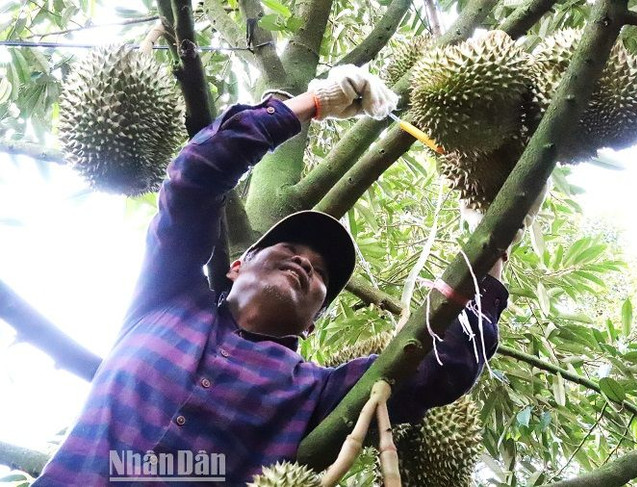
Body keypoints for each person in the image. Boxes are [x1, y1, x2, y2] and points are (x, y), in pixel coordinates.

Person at [34, 65, 509, 484]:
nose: (305, 261)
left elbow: (439, 364)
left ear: (311, 324)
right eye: (288, 248)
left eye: (320, 271)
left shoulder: (311, 393)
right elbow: (194, 179)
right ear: (236, 267)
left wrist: (494, 244)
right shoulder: (165, 300)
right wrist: (314, 103)